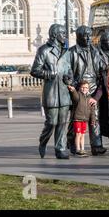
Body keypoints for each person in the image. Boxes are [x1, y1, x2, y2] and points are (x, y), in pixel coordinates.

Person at [31, 24, 72, 159]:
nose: (65, 36)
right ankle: (43, 141)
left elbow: (69, 70)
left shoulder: (66, 52)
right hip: (51, 93)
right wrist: (49, 74)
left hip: (64, 92)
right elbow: (35, 70)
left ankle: (60, 149)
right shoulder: (44, 50)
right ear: (55, 35)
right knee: (51, 122)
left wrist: (69, 77)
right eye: (63, 33)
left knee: (62, 122)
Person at [67, 26, 107, 156]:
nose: (89, 38)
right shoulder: (71, 52)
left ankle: (96, 145)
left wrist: (99, 90)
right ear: (78, 37)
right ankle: (73, 143)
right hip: (79, 89)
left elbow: (102, 70)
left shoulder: (96, 52)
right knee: (77, 118)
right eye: (85, 35)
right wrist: (73, 87)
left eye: (90, 35)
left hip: (93, 88)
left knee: (94, 117)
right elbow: (68, 72)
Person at [67, 80, 95, 157]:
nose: (84, 89)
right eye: (82, 87)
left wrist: (92, 119)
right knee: (78, 134)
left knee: (82, 135)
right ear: (79, 88)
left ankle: (82, 148)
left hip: (85, 119)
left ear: (88, 89)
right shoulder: (78, 95)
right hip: (77, 119)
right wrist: (73, 90)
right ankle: (78, 149)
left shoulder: (90, 98)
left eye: (86, 87)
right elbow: (74, 96)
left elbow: (92, 110)